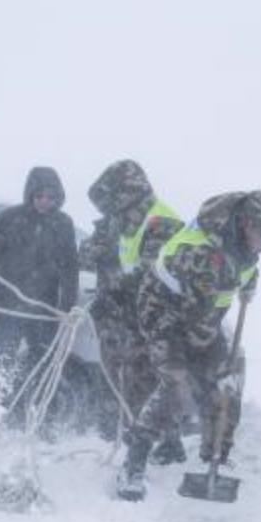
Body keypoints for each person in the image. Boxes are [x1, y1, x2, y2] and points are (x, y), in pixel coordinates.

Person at [116, 190, 261, 501]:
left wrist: (250, 283)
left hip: (203, 312)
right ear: (246, 223)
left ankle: (215, 456)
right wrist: (208, 370)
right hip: (165, 313)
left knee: (226, 384)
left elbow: (245, 267)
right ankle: (133, 463)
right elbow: (198, 329)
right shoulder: (201, 254)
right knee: (177, 385)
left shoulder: (243, 243)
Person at [80, 160, 184, 455]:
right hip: (126, 318)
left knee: (150, 382)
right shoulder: (125, 219)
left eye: (113, 203)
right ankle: (122, 436)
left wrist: (112, 294)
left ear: (127, 194)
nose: (111, 212)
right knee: (120, 378)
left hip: (156, 320)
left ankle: (160, 445)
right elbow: (86, 256)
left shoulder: (161, 222)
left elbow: (152, 276)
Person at [0, 166, 79, 406]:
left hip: (46, 310)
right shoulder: (8, 219)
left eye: (51, 197)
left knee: (44, 364)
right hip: (8, 307)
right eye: (40, 195)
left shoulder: (63, 224)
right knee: (0, 365)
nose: (45, 202)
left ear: (58, 198)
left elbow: (70, 268)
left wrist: (67, 308)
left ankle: (39, 415)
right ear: (30, 193)